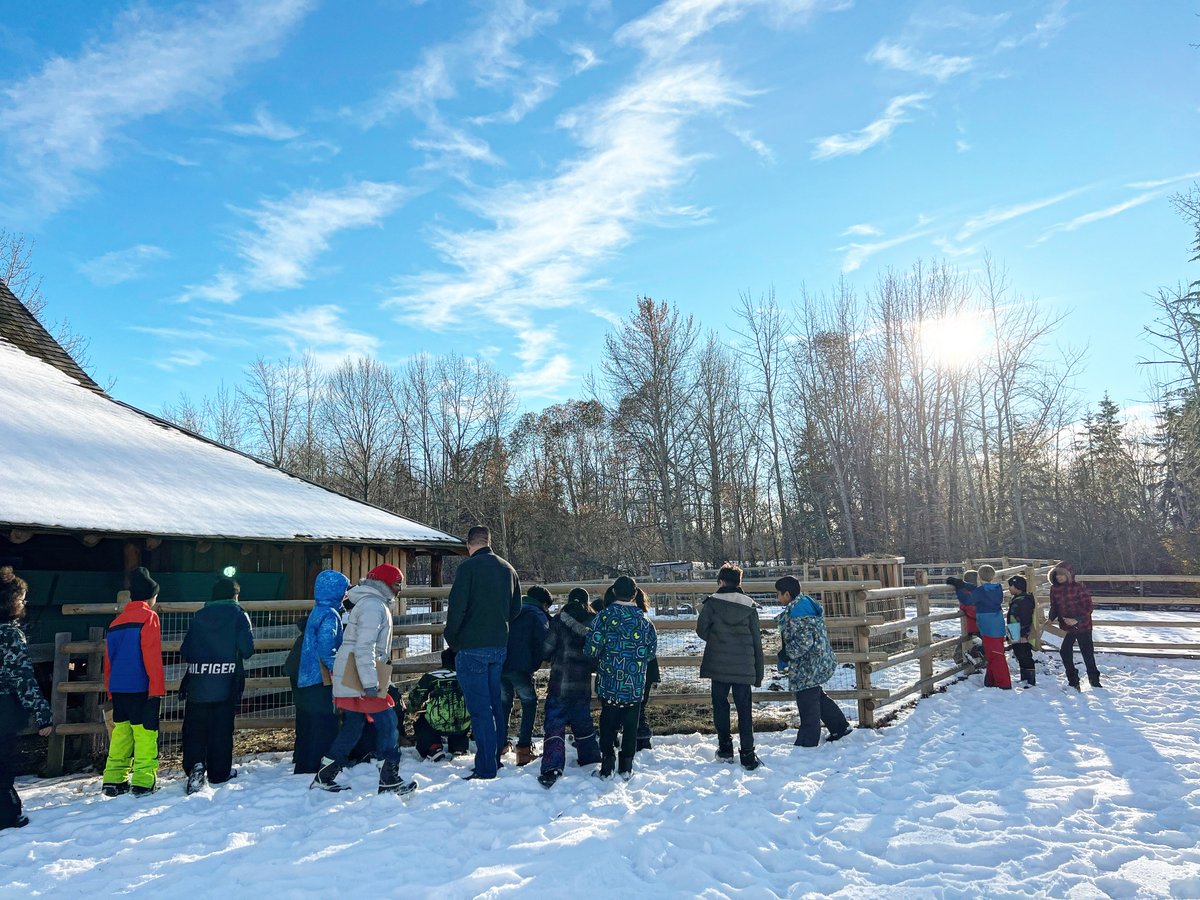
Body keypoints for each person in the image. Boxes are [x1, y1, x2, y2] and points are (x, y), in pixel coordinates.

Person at [312, 564, 415, 795]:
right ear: (385, 584)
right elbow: (365, 646)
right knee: (388, 724)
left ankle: (325, 774)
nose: (399, 589)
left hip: (352, 673)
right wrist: (370, 682)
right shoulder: (373, 606)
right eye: (397, 584)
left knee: (353, 727)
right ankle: (389, 777)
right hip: (361, 675)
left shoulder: (369, 603)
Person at [443, 526, 522, 781]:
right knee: (494, 705)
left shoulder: (468, 569)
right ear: (489, 542)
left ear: (469, 545)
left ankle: (486, 766)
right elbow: (516, 608)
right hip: (499, 645)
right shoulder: (507, 569)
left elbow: (457, 609)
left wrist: (453, 639)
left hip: (471, 646)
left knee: (479, 709)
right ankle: (495, 757)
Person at [180, 575, 255, 794]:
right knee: (221, 729)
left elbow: (186, 650)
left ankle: (195, 765)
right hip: (226, 683)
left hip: (197, 683)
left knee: (195, 730)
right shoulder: (239, 615)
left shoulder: (199, 616)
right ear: (235, 595)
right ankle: (219, 771)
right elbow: (248, 649)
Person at [101, 567, 165, 796]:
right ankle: (143, 781)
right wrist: (156, 688)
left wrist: (110, 690)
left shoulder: (116, 623)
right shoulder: (149, 617)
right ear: (151, 596)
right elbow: (151, 656)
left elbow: (109, 661)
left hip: (118, 688)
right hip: (142, 687)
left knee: (121, 733)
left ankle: (113, 778)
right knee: (145, 733)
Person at [585, 575, 657, 780]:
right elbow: (651, 652)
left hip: (609, 680)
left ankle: (607, 763)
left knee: (607, 721)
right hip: (634, 683)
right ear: (635, 594)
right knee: (631, 724)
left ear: (614, 592)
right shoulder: (644, 620)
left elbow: (591, 648)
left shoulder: (604, 617)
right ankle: (626, 765)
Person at [696, 564, 764, 770]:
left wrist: (716, 640)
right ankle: (748, 753)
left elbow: (701, 630)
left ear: (721, 581)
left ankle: (725, 747)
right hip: (743, 665)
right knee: (744, 709)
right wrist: (758, 672)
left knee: (720, 706)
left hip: (718, 664)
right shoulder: (749, 606)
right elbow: (756, 640)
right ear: (739, 582)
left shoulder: (712, 603)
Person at [0, 577, 53, 830]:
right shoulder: (9, 634)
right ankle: (7, 816)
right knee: (3, 762)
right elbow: (22, 678)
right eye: (20, 599)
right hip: (3, 706)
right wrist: (42, 713)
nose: (23, 604)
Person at [776, 576, 852, 748]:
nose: (777, 598)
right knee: (815, 694)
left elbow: (804, 641)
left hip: (807, 664)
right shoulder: (805, 605)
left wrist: (786, 654)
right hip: (817, 660)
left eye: (778, 594)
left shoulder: (797, 613)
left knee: (806, 700)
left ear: (787, 594)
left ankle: (807, 741)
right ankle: (839, 726)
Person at [538, 587, 601, 788]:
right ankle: (590, 758)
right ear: (586, 602)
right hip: (581, 684)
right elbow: (595, 656)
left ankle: (552, 767)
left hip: (559, 683)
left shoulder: (558, 621)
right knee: (582, 721)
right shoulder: (594, 622)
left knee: (554, 723)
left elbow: (546, 650)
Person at [291, 569, 349, 775]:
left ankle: (305, 764)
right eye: (343, 589)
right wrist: (339, 669)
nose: (345, 594)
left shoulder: (318, 610)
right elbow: (326, 648)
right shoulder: (331, 615)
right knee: (324, 723)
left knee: (309, 723)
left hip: (306, 675)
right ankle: (317, 766)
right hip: (319, 678)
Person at [500, 585, 551, 766]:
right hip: (521, 666)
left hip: (500, 662)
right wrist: (544, 657)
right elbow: (545, 641)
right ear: (544, 604)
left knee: (503, 703)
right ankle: (523, 748)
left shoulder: (509, 607)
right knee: (529, 703)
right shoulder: (537, 615)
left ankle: (500, 743)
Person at [408, 649, 470, 761]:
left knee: (421, 722)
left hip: (437, 722)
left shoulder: (431, 676)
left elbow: (415, 699)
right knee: (462, 716)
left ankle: (433, 747)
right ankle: (459, 747)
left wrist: (413, 709)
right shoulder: (468, 675)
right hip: (462, 723)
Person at [1048, 562, 1102, 690]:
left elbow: (1088, 607)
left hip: (1083, 626)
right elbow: (1054, 606)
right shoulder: (1054, 589)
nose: (1058, 577)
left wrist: (1076, 619)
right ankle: (1072, 679)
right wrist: (1050, 619)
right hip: (1065, 627)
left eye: (1061, 575)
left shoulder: (1079, 587)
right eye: (1057, 575)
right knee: (1065, 652)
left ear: (1069, 575)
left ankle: (1094, 679)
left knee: (1087, 653)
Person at [970, 565, 1012, 689]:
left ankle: (1003, 683)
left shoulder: (980, 591)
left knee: (996, 655)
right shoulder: (997, 588)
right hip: (997, 623)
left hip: (988, 627)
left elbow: (969, 601)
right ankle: (990, 680)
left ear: (979, 576)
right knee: (993, 653)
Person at [945, 570, 984, 669]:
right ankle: (969, 659)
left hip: (976, 625)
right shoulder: (974, 591)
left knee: (985, 644)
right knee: (988, 644)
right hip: (979, 625)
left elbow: (967, 606)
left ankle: (972, 659)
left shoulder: (970, 591)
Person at [1006, 575, 1037, 688]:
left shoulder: (1024, 601)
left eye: (1011, 586)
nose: (1009, 588)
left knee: (1025, 654)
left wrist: (1024, 634)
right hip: (1014, 629)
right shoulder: (1017, 599)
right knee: (1019, 653)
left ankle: (1030, 680)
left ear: (1017, 587)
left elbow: (1025, 618)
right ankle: (1024, 678)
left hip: (1020, 631)